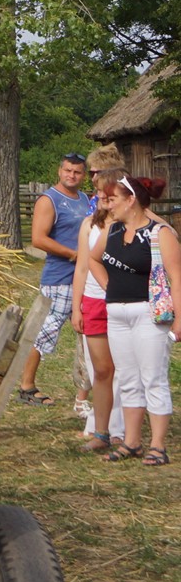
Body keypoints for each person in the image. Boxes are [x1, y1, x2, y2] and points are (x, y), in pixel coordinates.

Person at [83, 176, 178, 465]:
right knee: (127, 379)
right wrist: (108, 286)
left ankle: (158, 446)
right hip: (117, 313)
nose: (107, 205)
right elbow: (93, 259)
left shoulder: (159, 233)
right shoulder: (111, 231)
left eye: (113, 199)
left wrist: (179, 319)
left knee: (153, 378)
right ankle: (132, 442)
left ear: (131, 200)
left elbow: (177, 277)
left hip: (148, 314)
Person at [16, 153, 90, 407]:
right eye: (68, 170)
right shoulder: (49, 200)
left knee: (89, 332)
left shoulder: (83, 199)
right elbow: (38, 238)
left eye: (77, 172)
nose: (72, 175)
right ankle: (26, 386)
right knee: (46, 332)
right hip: (59, 278)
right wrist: (73, 254)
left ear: (83, 175)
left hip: (83, 277)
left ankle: (86, 392)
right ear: (59, 171)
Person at [76, 165, 125, 451]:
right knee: (101, 370)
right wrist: (76, 308)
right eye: (100, 196)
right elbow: (82, 267)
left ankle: (121, 430)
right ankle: (100, 429)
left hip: (122, 301)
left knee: (125, 369)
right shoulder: (89, 225)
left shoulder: (130, 225)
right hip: (94, 301)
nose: (104, 203)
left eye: (110, 197)